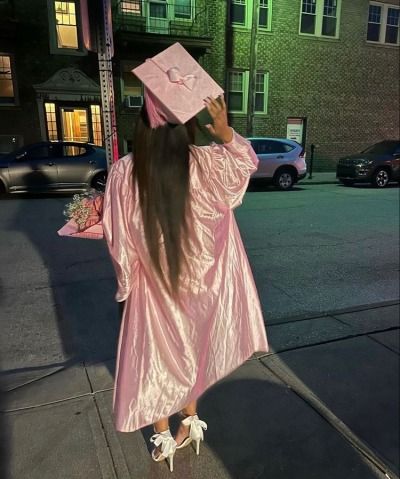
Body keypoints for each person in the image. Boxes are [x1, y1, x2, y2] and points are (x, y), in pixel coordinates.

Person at [102, 94, 269, 472]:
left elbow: (120, 240)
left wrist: (125, 284)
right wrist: (226, 134)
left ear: (141, 129)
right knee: (193, 353)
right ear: (186, 128)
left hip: (154, 286)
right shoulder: (204, 163)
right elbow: (244, 164)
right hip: (201, 284)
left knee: (157, 361)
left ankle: (163, 435)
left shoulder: (125, 172)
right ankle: (191, 423)